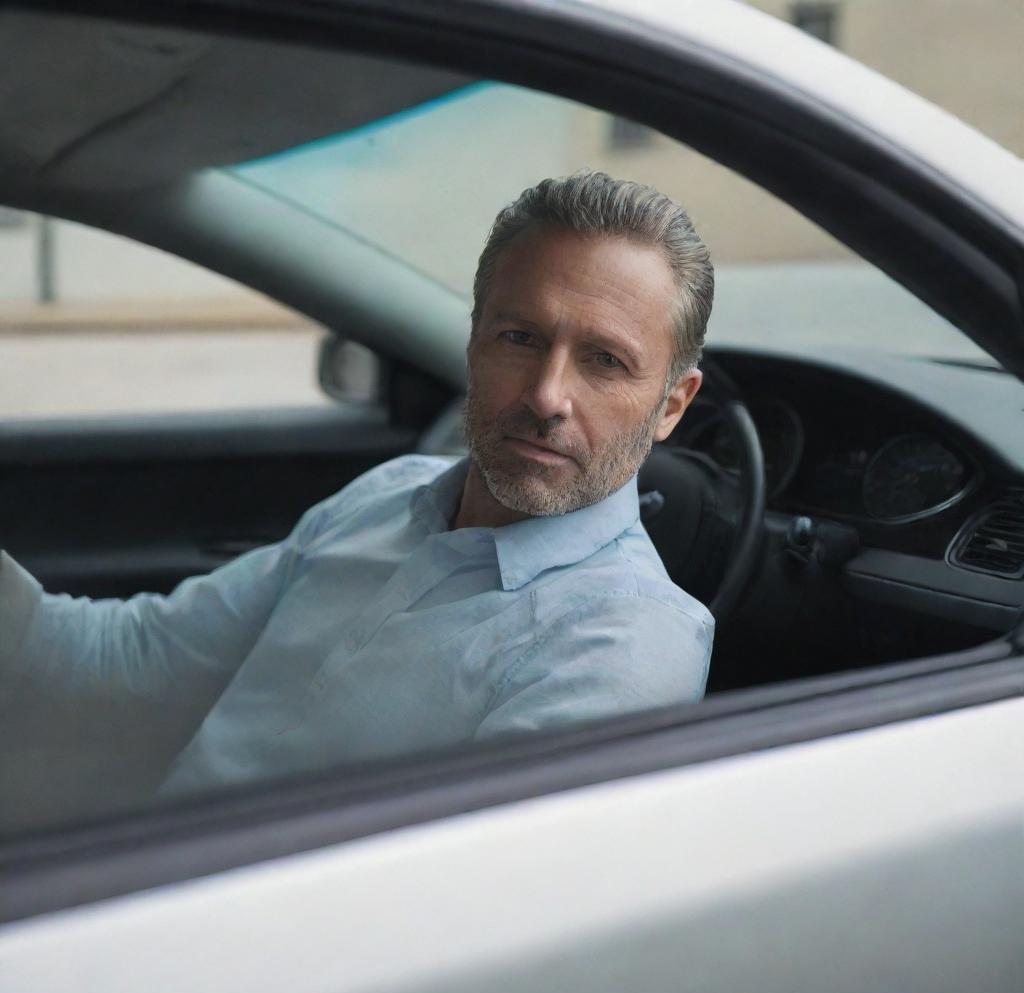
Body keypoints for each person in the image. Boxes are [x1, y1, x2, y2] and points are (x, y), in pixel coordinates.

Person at [0, 170, 715, 808]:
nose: (548, 395)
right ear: (474, 342)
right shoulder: (389, 496)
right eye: (520, 338)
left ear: (673, 406)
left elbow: (453, 911)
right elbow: (133, 661)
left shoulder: (626, 641)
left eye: (605, 361)